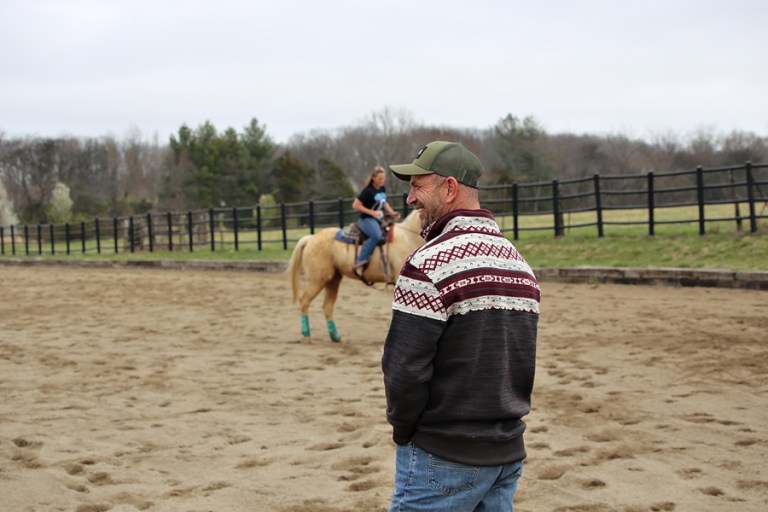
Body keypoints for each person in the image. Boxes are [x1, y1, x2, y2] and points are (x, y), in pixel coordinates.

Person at [382, 141, 541, 511]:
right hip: (506, 452)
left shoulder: (427, 264)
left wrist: (405, 432)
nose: (410, 198)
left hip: (443, 452)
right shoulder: (519, 264)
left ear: (449, 188)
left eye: (418, 186)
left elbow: (403, 370)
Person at [351, 165, 400, 270]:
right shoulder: (368, 191)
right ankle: (360, 260)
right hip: (366, 220)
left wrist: (392, 213)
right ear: (373, 178)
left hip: (378, 219)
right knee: (376, 236)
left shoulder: (382, 188)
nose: (382, 181)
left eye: (383, 178)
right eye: (380, 179)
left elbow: (384, 202)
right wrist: (372, 213)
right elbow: (355, 205)